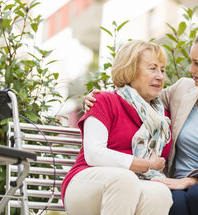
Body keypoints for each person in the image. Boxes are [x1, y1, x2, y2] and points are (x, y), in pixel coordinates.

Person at [84, 30, 198, 215]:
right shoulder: (182, 90)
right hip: (175, 186)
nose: (190, 69)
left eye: (197, 64)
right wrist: (95, 99)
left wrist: (190, 180)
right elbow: (140, 98)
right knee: (173, 200)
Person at [61, 40, 173, 215]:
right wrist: (145, 164)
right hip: (87, 184)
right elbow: (94, 154)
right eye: (152, 68)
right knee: (124, 179)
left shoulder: (162, 119)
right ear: (131, 70)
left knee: (159, 192)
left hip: (135, 186)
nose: (159, 76)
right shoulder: (104, 101)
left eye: (162, 70)